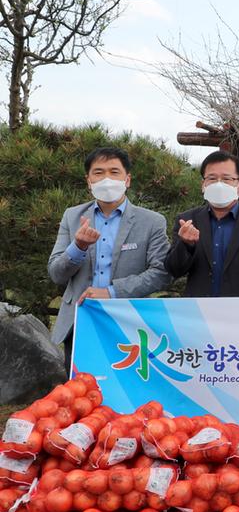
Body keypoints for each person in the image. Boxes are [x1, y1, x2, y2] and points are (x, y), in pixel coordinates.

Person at [47, 147, 171, 373]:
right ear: (89, 181)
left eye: (114, 172)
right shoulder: (72, 216)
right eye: (98, 172)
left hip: (129, 322)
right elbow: (56, 273)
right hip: (80, 321)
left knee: (127, 386)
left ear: (127, 179)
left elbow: (161, 272)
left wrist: (112, 292)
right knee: (80, 389)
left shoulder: (152, 222)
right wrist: (78, 247)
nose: (107, 179)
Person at [164, 150, 239, 296]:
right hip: (198, 308)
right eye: (212, 178)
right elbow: (173, 270)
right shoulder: (187, 221)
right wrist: (186, 245)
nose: (219, 184)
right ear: (203, 185)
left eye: (226, 179)